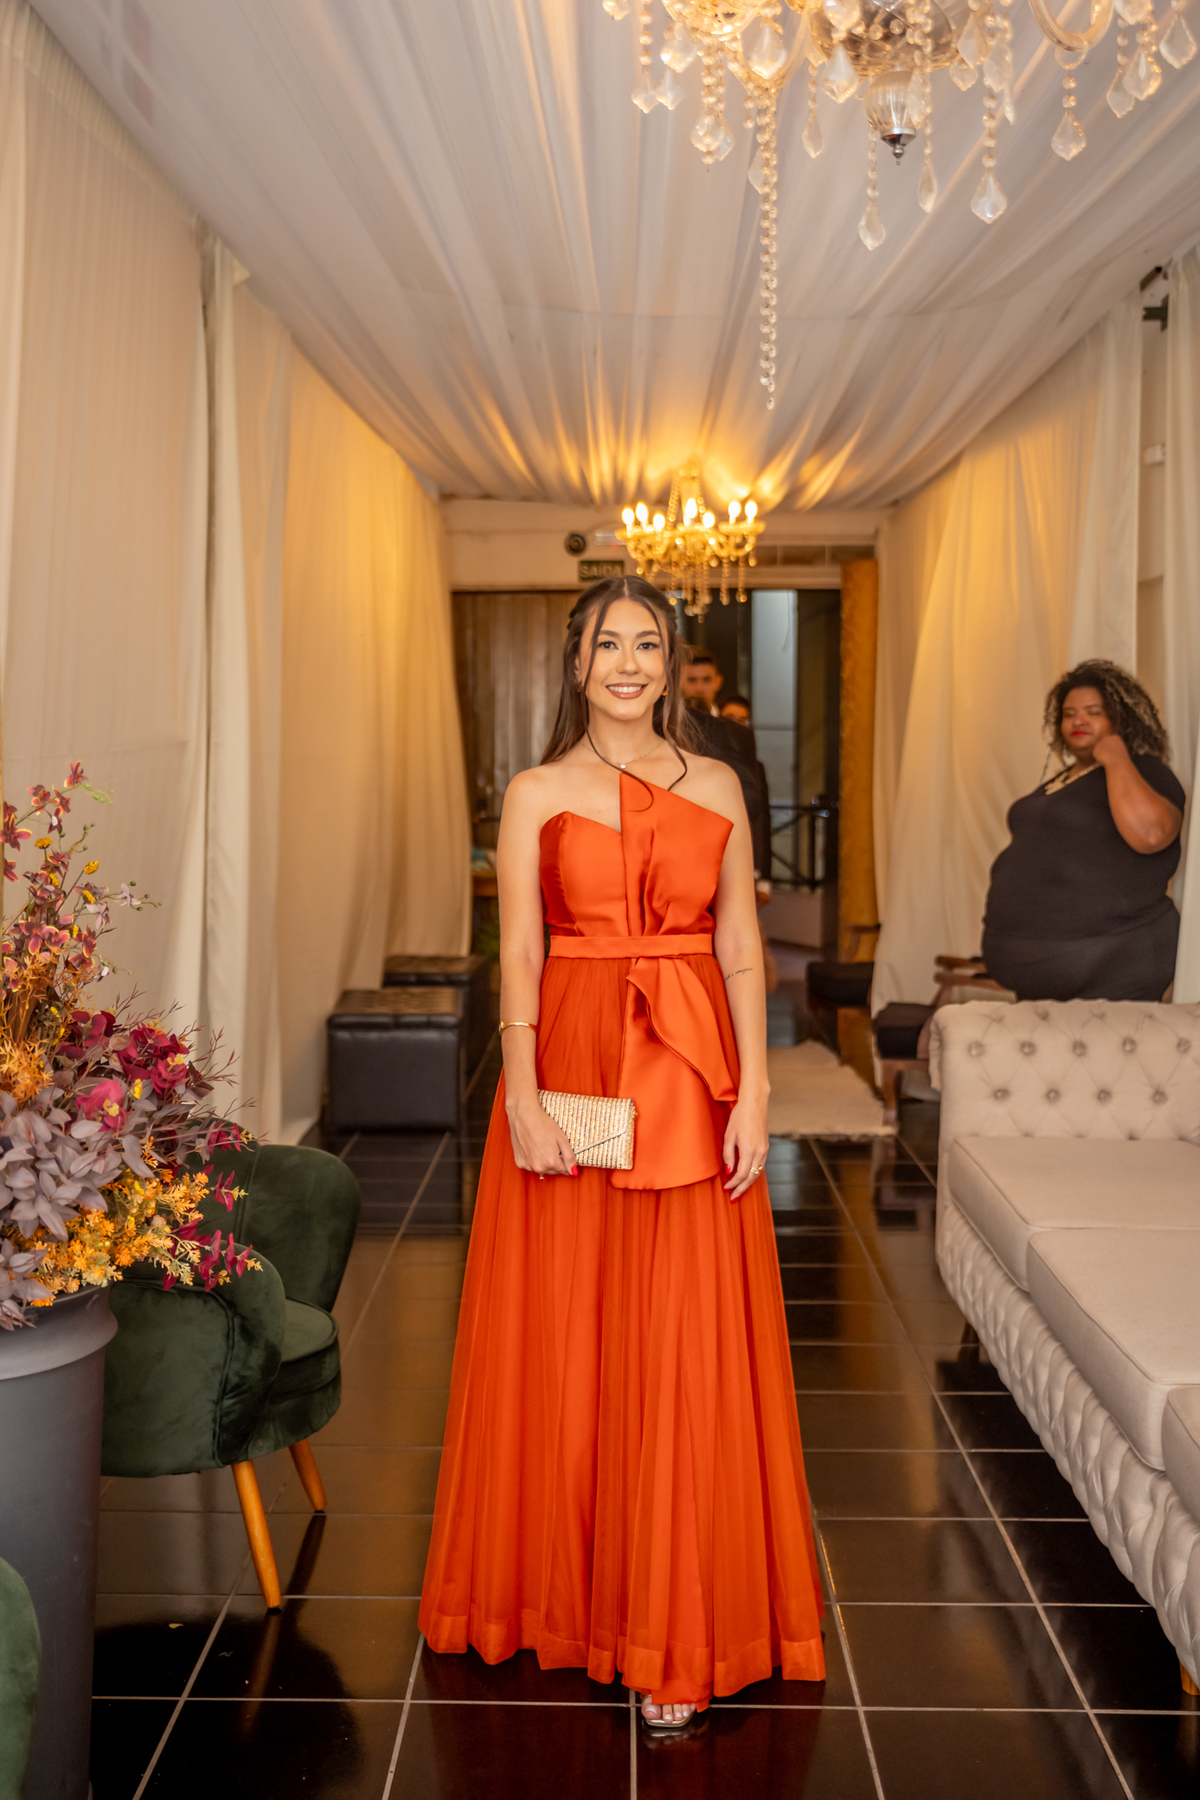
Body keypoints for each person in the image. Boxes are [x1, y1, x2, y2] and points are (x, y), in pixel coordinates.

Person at [419, 576, 825, 1730]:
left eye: (650, 643)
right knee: (570, 1330)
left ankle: (670, 1629)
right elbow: (519, 952)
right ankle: (564, 1597)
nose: (631, 663)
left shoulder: (719, 783)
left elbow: (740, 949)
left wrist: (755, 1093)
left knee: (681, 1341)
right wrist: (521, 1091)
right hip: (574, 1062)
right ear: (578, 662)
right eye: (610, 644)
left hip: (691, 1071)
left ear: (673, 659)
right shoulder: (537, 791)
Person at [981, 659, 1184, 1002]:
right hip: (1036, 967)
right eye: (1069, 714)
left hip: (1112, 961)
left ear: (1120, 719)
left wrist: (1116, 756)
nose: (1078, 721)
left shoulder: (1143, 772)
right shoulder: (1060, 782)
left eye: (1093, 712)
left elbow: (1151, 834)